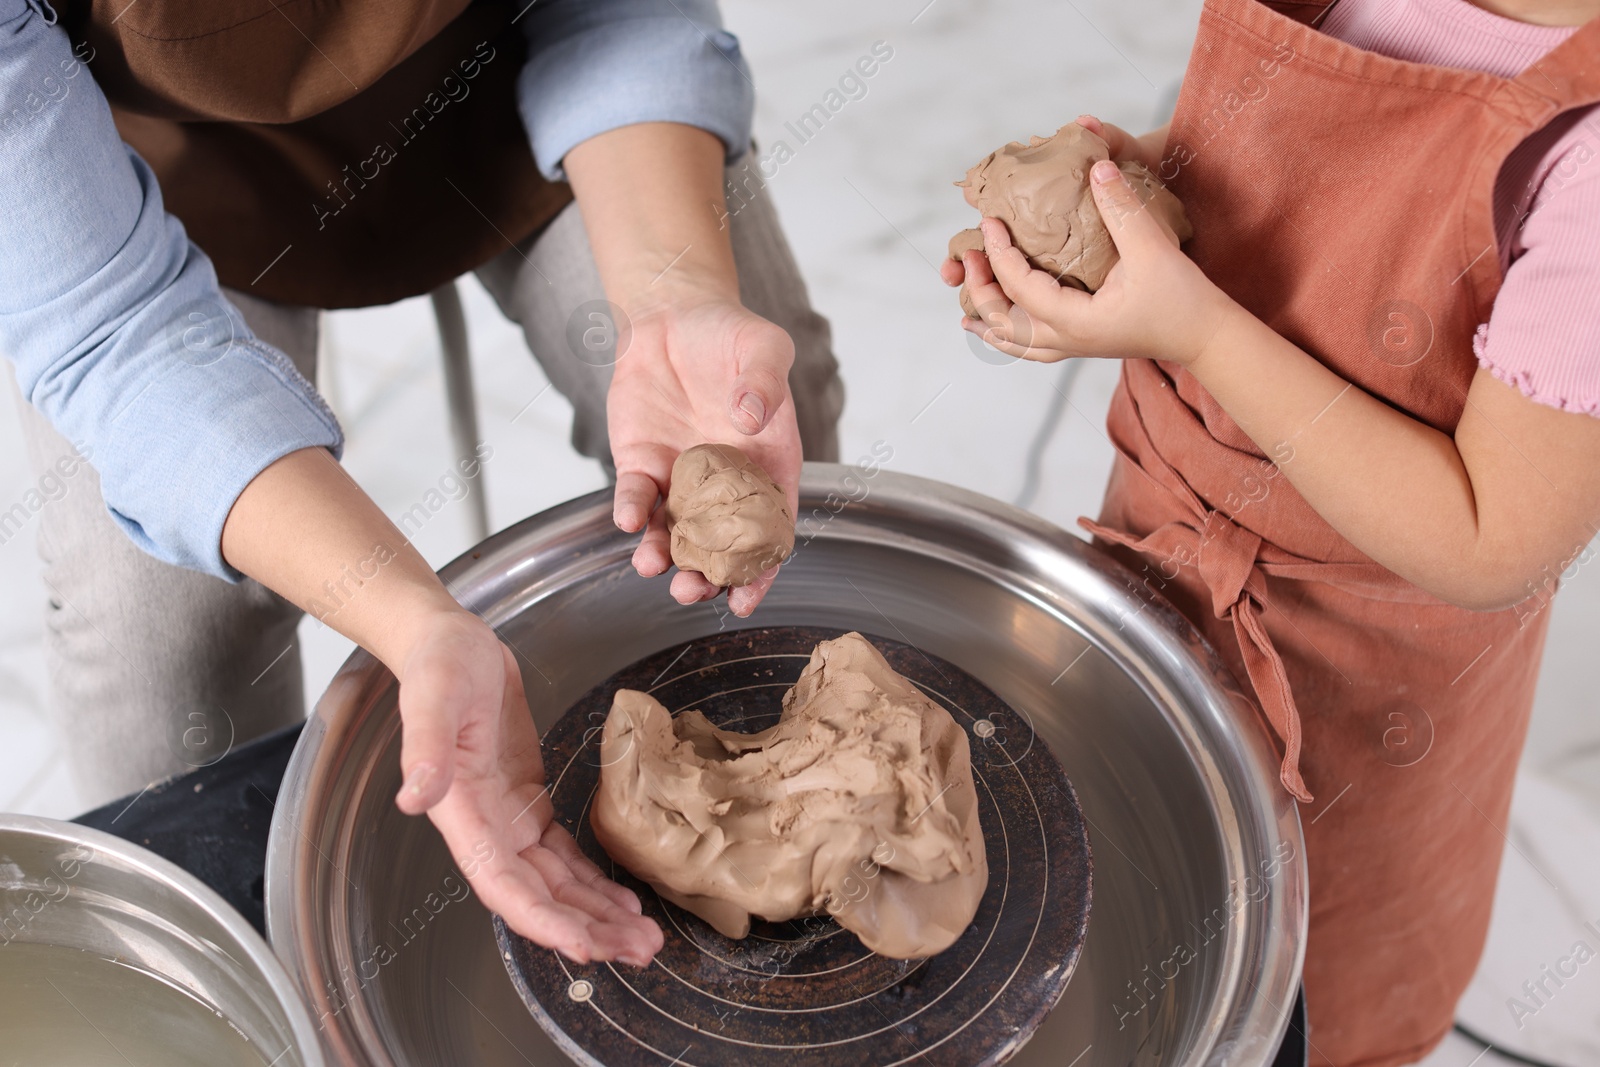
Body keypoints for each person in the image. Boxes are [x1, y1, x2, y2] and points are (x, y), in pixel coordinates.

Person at [1, 0, 842, 968]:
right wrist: (416, 624)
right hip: (134, 175)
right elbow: (117, 337)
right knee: (156, 625)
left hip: (518, 71)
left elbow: (622, 15)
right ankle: (217, 968)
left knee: (772, 428)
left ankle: (769, 755)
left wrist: (674, 298)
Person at [943, 0, 1599, 1062]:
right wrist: (1139, 194)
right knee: (1120, 871)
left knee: (1291, 973)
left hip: (1364, 680)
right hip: (1161, 537)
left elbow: (1492, 538)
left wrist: (1193, 328)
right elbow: (1297, 192)